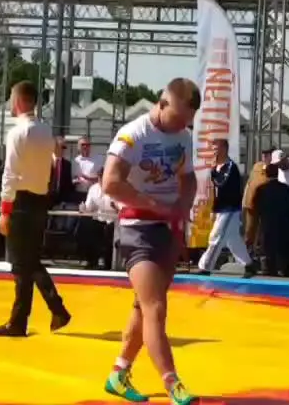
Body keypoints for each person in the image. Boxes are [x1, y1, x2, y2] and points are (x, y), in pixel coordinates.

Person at [101, 77, 200, 404]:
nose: (182, 127)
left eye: (187, 121)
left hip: (166, 229)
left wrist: (183, 207)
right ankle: (173, 383)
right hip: (137, 229)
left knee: (142, 308)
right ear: (162, 103)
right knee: (155, 308)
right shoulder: (133, 135)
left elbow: (188, 178)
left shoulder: (183, 136)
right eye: (178, 118)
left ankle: (119, 372)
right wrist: (154, 204)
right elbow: (110, 182)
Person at [0, 80, 70, 337]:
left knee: (22, 263)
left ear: (19, 101)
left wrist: (5, 210)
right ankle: (26, 318)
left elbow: (10, 173)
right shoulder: (46, 132)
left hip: (21, 201)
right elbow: (54, 163)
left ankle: (50, 310)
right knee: (27, 262)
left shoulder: (17, 133)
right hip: (39, 200)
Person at [197, 139, 254, 278]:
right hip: (220, 208)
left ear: (224, 149)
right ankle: (249, 264)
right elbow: (214, 190)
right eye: (213, 149)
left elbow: (221, 183)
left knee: (216, 237)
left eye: (216, 148)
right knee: (233, 240)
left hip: (229, 208)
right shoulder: (217, 167)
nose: (214, 151)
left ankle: (205, 267)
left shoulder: (230, 167)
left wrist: (214, 172)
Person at [246, 160, 289, 277]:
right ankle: (285, 268)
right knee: (283, 245)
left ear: (266, 174)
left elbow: (254, 206)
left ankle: (270, 268)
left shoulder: (261, 189)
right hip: (283, 221)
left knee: (268, 246)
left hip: (267, 221)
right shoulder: (286, 188)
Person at [80, 167, 116, 270]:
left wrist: (116, 207)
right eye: (100, 178)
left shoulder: (116, 187)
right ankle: (91, 260)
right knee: (88, 227)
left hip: (114, 220)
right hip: (98, 218)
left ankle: (107, 262)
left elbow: (121, 206)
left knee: (109, 231)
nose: (101, 180)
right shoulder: (93, 189)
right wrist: (83, 208)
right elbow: (89, 207)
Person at [73, 136, 100, 203]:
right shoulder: (75, 161)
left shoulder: (98, 159)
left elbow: (102, 178)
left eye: (87, 145)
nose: (85, 146)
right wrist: (75, 180)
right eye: (83, 145)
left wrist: (88, 178)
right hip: (78, 193)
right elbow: (72, 178)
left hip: (93, 194)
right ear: (78, 146)